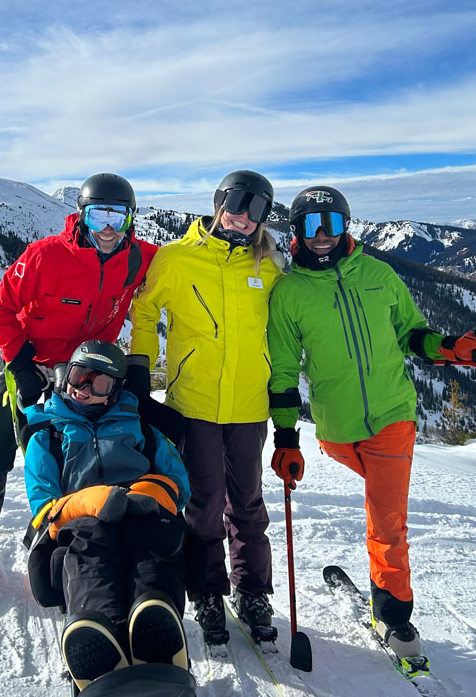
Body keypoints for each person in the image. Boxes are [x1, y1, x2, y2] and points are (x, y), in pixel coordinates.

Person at [266, 185, 476, 670]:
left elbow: (412, 332)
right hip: (336, 428)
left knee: (387, 519)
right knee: (381, 500)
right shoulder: (288, 294)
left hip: (393, 416)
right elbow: (284, 374)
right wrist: (287, 437)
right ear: (297, 232)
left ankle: (393, 613)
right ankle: (384, 578)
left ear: (346, 225)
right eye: (311, 225)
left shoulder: (378, 273)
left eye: (332, 223)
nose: (323, 235)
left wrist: (451, 347)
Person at [0, 173, 158, 584]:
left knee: (81, 457)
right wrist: (23, 366)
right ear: (81, 217)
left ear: (132, 220)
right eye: (99, 217)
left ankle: (78, 539)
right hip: (34, 367)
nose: (109, 229)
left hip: (88, 376)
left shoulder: (139, 258)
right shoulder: (45, 256)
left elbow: (183, 264)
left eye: (119, 218)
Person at [128, 169, 284, 648]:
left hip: (249, 404)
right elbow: (145, 310)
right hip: (193, 404)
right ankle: (208, 590)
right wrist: (139, 371)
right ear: (218, 203)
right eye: (237, 204)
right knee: (203, 505)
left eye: (257, 210)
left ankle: (253, 591)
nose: (243, 218)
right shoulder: (178, 258)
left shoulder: (270, 265)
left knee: (249, 504)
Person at [21, 340, 192, 693]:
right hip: (81, 518)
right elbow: (43, 506)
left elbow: (179, 482)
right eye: (79, 376)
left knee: (151, 542)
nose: (82, 389)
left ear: (115, 390)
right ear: (65, 376)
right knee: (91, 546)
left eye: (98, 383)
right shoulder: (48, 436)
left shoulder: (142, 428)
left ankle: (157, 629)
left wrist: (152, 492)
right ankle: (99, 633)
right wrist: (86, 502)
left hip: (142, 508)